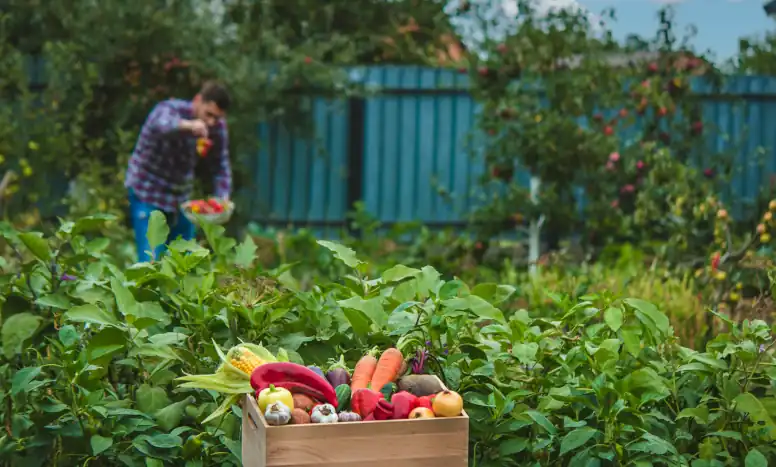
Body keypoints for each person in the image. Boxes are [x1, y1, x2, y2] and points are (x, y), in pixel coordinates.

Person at [124, 81, 232, 262]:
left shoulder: (217, 128)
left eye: (217, 118)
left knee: (184, 263)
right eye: (209, 114)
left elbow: (220, 164)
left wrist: (223, 197)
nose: (211, 122)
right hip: (147, 193)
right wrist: (189, 126)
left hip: (180, 200)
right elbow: (162, 125)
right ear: (198, 100)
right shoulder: (168, 109)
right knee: (150, 262)